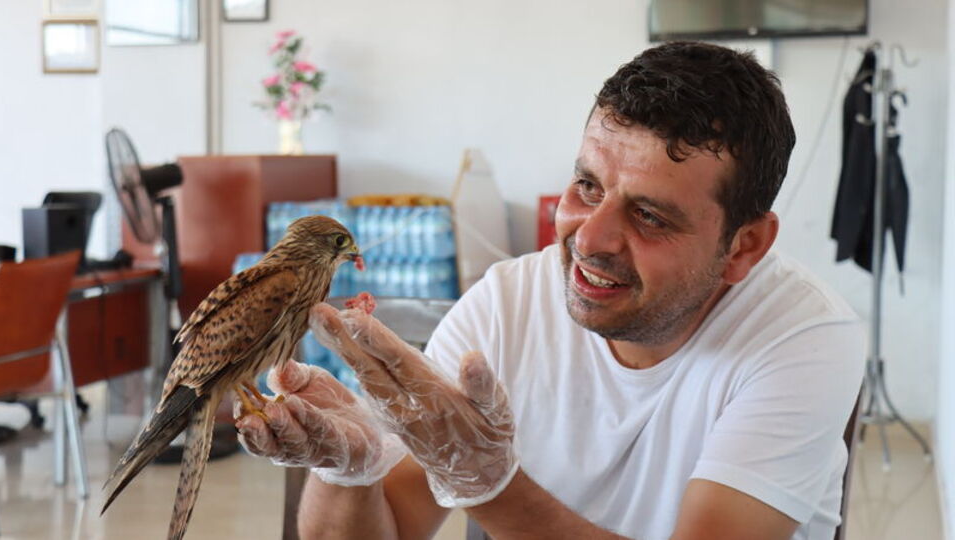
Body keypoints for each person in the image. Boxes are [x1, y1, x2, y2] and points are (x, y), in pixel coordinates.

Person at [236, 41, 865, 540]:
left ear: (745, 245)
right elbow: (388, 528)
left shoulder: (802, 337)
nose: (589, 237)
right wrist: (350, 468)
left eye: (649, 215)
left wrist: (489, 486)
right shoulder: (507, 305)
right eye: (588, 186)